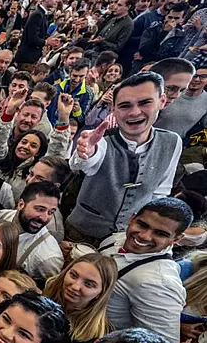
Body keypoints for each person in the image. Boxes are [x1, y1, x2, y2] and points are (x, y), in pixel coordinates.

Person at [67, 72, 180, 245]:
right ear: (114, 109)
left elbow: (160, 192)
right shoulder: (102, 140)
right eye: (125, 106)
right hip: (82, 233)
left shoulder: (172, 142)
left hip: (126, 238)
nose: (134, 112)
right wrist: (85, 152)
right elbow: (83, 163)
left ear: (161, 101)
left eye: (144, 103)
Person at [99, 198, 193, 343]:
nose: (144, 236)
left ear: (176, 239)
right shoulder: (119, 238)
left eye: (160, 233)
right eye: (142, 225)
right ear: (132, 218)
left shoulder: (158, 283)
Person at [43, 253, 118, 343]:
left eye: (88, 284)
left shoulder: (97, 337)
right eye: (73, 275)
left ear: (101, 293)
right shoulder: (41, 290)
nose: (75, 286)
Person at [0, 182, 63, 280]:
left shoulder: (48, 257)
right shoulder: (0, 216)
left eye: (50, 212)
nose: (44, 218)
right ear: (21, 204)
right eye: (40, 209)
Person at [14, 0, 61, 70]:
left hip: (31, 58)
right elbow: (32, 38)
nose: (57, 0)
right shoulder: (38, 15)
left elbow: (40, 34)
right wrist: (47, 42)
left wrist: (51, 40)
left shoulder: (42, 14)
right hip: (27, 59)